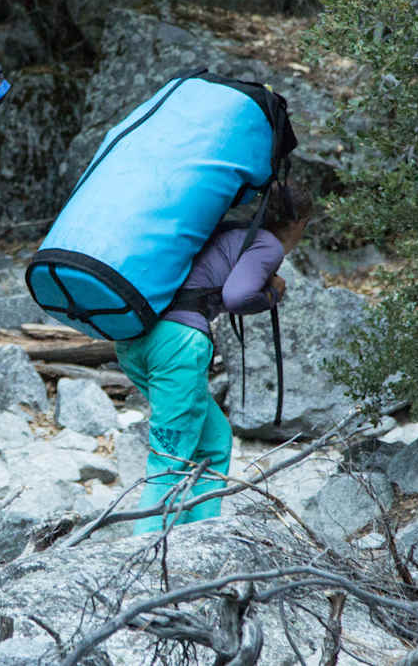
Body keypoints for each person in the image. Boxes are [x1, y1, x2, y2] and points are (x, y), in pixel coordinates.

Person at [114, 182, 313, 534]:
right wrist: (271, 293)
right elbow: (237, 296)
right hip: (177, 346)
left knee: (213, 441)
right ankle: (142, 560)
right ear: (300, 223)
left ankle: (199, 537)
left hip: (134, 340)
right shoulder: (266, 244)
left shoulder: (229, 230)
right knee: (169, 462)